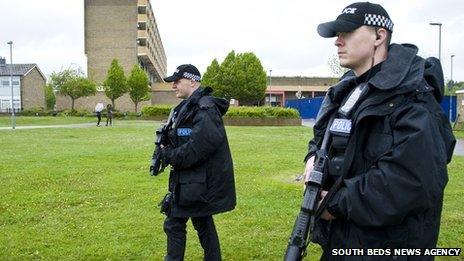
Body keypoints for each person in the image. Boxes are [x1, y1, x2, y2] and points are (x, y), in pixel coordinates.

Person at [304, 2, 456, 259]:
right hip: (343, 240)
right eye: (336, 35)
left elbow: (410, 181)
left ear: (379, 35)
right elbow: (327, 139)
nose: (337, 41)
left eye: (347, 32)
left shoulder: (414, 98)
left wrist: (336, 204)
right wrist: (311, 158)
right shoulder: (349, 91)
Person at [159, 64, 236, 261]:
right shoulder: (187, 107)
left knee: (174, 223)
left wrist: (169, 155)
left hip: (198, 182)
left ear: (192, 81)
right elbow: (184, 137)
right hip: (192, 181)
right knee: (202, 222)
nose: (173, 86)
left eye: (177, 81)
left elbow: (197, 148)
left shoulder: (206, 108)